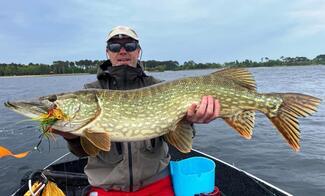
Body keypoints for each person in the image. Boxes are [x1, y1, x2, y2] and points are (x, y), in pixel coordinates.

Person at [53, 26, 220, 195]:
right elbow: (84, 152)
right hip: (106, 188)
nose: (123, 51)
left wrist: (189, 121)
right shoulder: (91, 90)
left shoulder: (158, 86)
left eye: (130, 46)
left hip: (157, 184)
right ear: (107, 52)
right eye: (115, 46)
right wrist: (71, 136)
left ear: (138, 51)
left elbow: (180, 137)